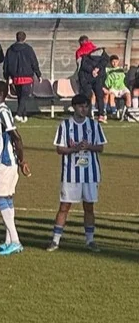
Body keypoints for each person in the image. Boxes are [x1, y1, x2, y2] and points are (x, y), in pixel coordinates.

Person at [47, 94, 104, 253]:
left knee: (89, 207)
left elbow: (100, 147)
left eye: (86, 106)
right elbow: (59, 149)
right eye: (80, 106)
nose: (84, 109)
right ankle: (55, 240)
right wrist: (75, 148)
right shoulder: (65, 125)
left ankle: (90, 240)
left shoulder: (94, 125)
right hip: (71, 173)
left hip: (90, 175)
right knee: (64, 206)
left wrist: (88, 146)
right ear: (74, 107)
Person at [0, 81, 30, 256]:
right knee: (8, 200)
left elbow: (16, 137)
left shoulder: (3, 112)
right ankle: (7, 241)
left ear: (1, 94)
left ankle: (15, 240)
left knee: (0, 200)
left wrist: (22, 160)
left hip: (5, 162)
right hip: (7, 162)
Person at [3, 31, 41, 122]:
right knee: (24, 96)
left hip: (15, 77)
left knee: (20, 96)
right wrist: (38, 74)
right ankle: (19, 113)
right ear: (25, 38)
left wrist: (7, 76)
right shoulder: (29, 49)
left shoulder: (10, 49)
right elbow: (34, 62)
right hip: (27, 76)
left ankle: (24, 115)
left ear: (16, 38)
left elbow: (6, 64)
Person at [75, 36, 107, 122]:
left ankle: (88, 115)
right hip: (97, 76)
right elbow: (104, 61)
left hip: (85, 76)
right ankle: (101, 115)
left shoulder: (79, 52)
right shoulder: (98, 50)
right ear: (88, 41)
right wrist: (97, 69)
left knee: (87, 96)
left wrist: (91, 70)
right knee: (99, 96)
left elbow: (80, 65)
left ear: (80, 42)